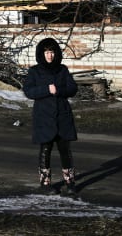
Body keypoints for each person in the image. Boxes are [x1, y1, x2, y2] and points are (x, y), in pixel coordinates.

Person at [23, 37, 79, 195]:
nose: (50, 55)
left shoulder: (63, 69)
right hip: (44, 116)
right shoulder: (34, 71)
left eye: (52, 52)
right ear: (42, 54)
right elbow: (28, 91)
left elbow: (72, 88)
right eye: (47, 52)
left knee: (65, 150)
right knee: (45, 150)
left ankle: (70, 182)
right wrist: (47, 89)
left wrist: (59, 90)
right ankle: (45, 184)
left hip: (62, 116)